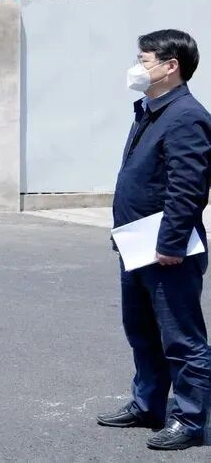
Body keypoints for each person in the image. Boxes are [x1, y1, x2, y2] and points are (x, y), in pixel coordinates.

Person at [98, 29, 211, 451]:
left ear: (170, 66)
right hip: (137, 244)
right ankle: (148, 404)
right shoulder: (151, 109)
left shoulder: (186, 116)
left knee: (181, 339)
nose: (136, 67)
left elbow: (188, 187)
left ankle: (190, 420)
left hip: (166, 250)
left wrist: (171, 244)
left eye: (143, 60)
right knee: (142, 332)